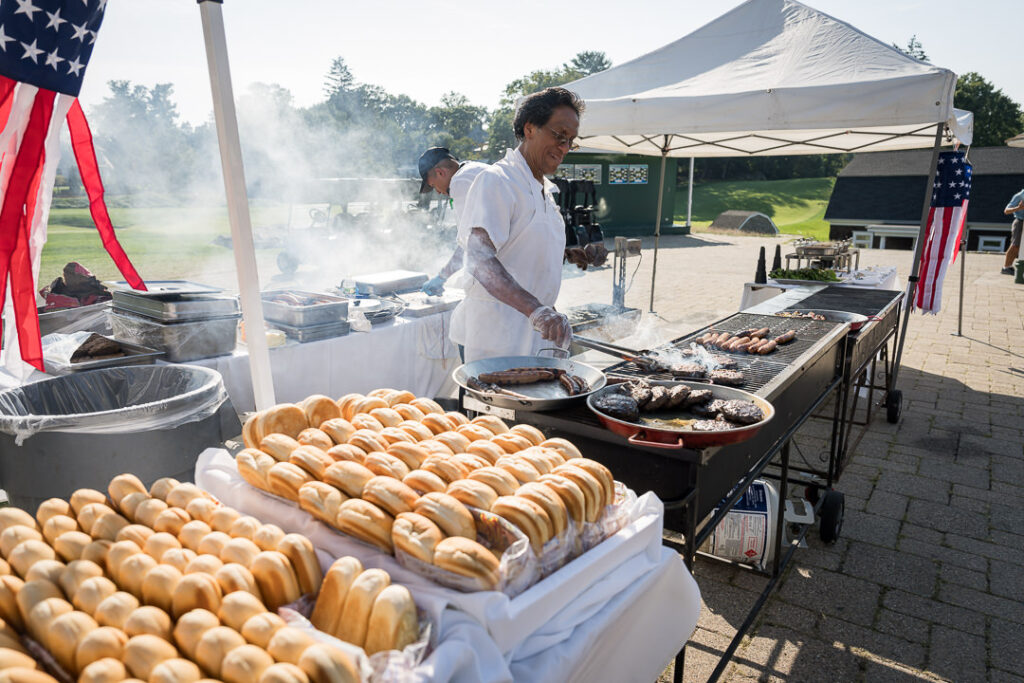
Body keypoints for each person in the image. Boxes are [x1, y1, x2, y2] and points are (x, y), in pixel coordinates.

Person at [450, 87, 584, 363]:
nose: (564, 148)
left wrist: (551, 314)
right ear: (530, 128)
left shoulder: (545, 191)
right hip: (495, 340)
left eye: (571, 141)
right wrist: (536, 310)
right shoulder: (498, 180)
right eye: (560, 136)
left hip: (535, 339)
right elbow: (478, 260)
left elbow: (531, 261)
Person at [417, 148, 488, 295]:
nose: (437, 192)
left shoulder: (460, 181)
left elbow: (470, 243)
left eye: (433, 185)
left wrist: (442, 277)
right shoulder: (475, 169)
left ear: (440, 173)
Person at [1002, 188, 1024, 275]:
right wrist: (1018, 208)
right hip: (1020, 222)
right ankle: (1006, 267)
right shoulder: (1020, 195)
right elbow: (1006, 211)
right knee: (1016, 245)